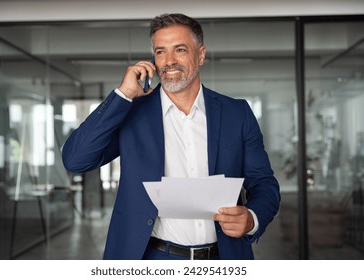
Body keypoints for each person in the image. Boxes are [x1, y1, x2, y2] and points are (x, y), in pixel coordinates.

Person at [62, 13, 280, 260]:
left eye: (180, 50)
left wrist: (251, 218)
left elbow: (264, 184)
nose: (169, 61)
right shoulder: (131, 113)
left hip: (225, 258)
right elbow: (75, 159)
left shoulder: (236, 113)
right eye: (160, 51)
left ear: (200, 55)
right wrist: (122, 95)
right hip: (152, 259)